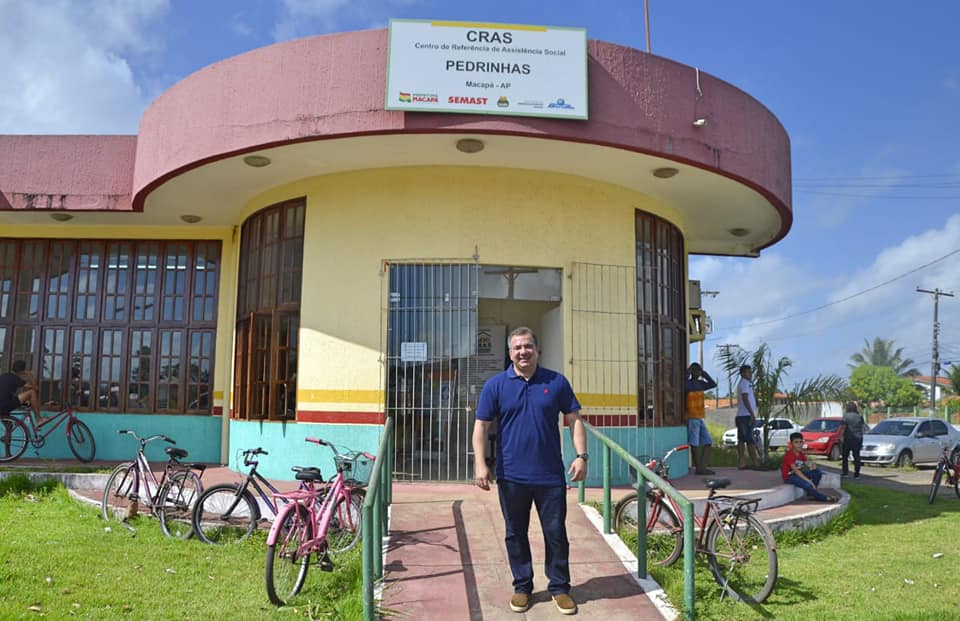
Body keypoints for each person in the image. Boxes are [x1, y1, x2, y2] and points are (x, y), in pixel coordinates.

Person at [472, 327, 587, 616]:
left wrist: (581, 456)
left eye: (528, 346)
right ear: (510, 353)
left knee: (555, 533)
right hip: (511, 476)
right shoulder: (496, 385)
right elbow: (481, 427)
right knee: (515, 534)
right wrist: (480, 463)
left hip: (550, 476)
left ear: (537, 349)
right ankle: (522, 586)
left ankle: (560, 588)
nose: (523, 352)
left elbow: (574, 420)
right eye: (517, 348)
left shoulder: (556, 382)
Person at [782, 432, 837, 502]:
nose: (799, 444)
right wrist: (808, 481)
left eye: (800, 442)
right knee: (807, 485)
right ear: (791, 444)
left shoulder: (800, 453)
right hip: (789, 477)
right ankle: (825, 498)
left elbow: (806, 463)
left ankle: (811, 494)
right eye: (796, 442)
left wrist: (812, 465)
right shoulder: (789, 455)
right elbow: (796, 470)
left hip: (798, 474)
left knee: (817, 472)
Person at [685, 362, 717, 475]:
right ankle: (698, 467)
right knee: (694, 444)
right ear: (691, 372)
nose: (697, 373)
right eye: (695, 371)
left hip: (699, 417)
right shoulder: (687, 384)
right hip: (691, 417)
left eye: (699, 371)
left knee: (708, 441)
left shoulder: (700, 384)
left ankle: (702, 467)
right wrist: (687, 373)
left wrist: (704, 374)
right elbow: (682, 383)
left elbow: (713, 384)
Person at [735, 364, 761, 469]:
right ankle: (754, 462)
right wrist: (751, 413)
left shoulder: (746, 383)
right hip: (744, 416)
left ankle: (743, 462)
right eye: (748, 372)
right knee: (749, 439)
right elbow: (745, 398)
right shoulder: (745, 383)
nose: (750, 374)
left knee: (743, 439)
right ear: (742, 373)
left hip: (743, 415)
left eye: (751, 372)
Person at [840, 401, 867, 479]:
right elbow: (862, 428)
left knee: (845, 456)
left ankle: (845, 473)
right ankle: (857, 474)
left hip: (848, 438)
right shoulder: (859, 416)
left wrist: (841, 436)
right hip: (858, 438)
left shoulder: (846, 416)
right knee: (857, 456)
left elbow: (843, 427)